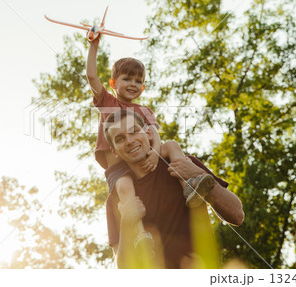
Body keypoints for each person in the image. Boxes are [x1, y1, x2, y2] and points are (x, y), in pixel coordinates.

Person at [86, 36, 214, 252]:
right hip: (119, 165)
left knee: (172, 144)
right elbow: (91, 76)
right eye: (127, 79)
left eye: (138, 81)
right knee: (125, 188)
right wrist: (94, 45)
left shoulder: (144, 111)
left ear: (143, 87)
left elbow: (154, 132)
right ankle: (140, 234)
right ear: (114, 83)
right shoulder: (108, 102)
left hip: (142, 155)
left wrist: (155, 152)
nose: (133, 85)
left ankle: (188, 187)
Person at [103, 109, 245, 268]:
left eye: (134, 131)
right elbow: (123, 268)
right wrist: (126, 223)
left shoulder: (183, 164)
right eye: (120, 139)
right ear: (114, 151)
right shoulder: (118, 198)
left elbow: (237, 215)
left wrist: (198, 173)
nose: (129, 141)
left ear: (148, 133)